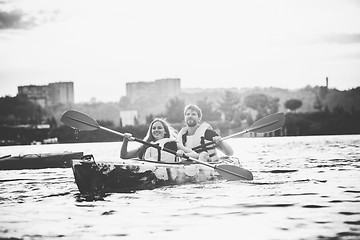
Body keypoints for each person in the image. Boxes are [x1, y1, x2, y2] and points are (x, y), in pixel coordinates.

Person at [120, 118, 198, 162]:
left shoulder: (172, 144)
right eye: (154, 128)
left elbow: (195, 155)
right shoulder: (145, 146)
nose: (156, 130)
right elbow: (124, 155)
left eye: (159, 128)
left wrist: (183, 155)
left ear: (165, 132)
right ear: (151, 131)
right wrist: (125, 141)